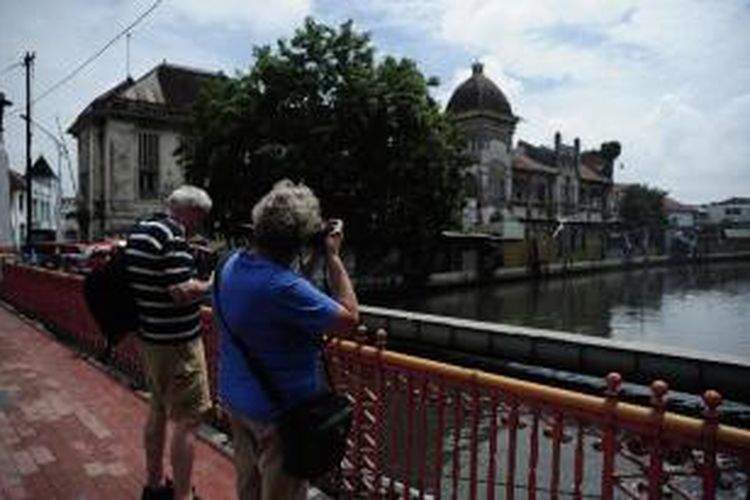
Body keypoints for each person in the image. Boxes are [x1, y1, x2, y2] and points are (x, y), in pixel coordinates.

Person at [214, 179, 359, 500]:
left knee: (248, 487)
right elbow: (348, 319)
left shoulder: (230, 263)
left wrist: (314, 257)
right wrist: (333, 256)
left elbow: (285, 291)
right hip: (278, 418)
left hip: (237, 400)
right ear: (297, 242)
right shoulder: (282, 287)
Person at [125, 186, 214, 500]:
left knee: (158, 411)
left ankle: (153, 485)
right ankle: (183, 496)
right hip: (178, 343)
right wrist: (210, 283)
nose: (199, 225)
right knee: (187, 422)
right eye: (200, 218)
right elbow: (181, 292)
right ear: (190, 210)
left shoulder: (143, 229)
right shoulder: (173, 235)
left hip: (151, 338)